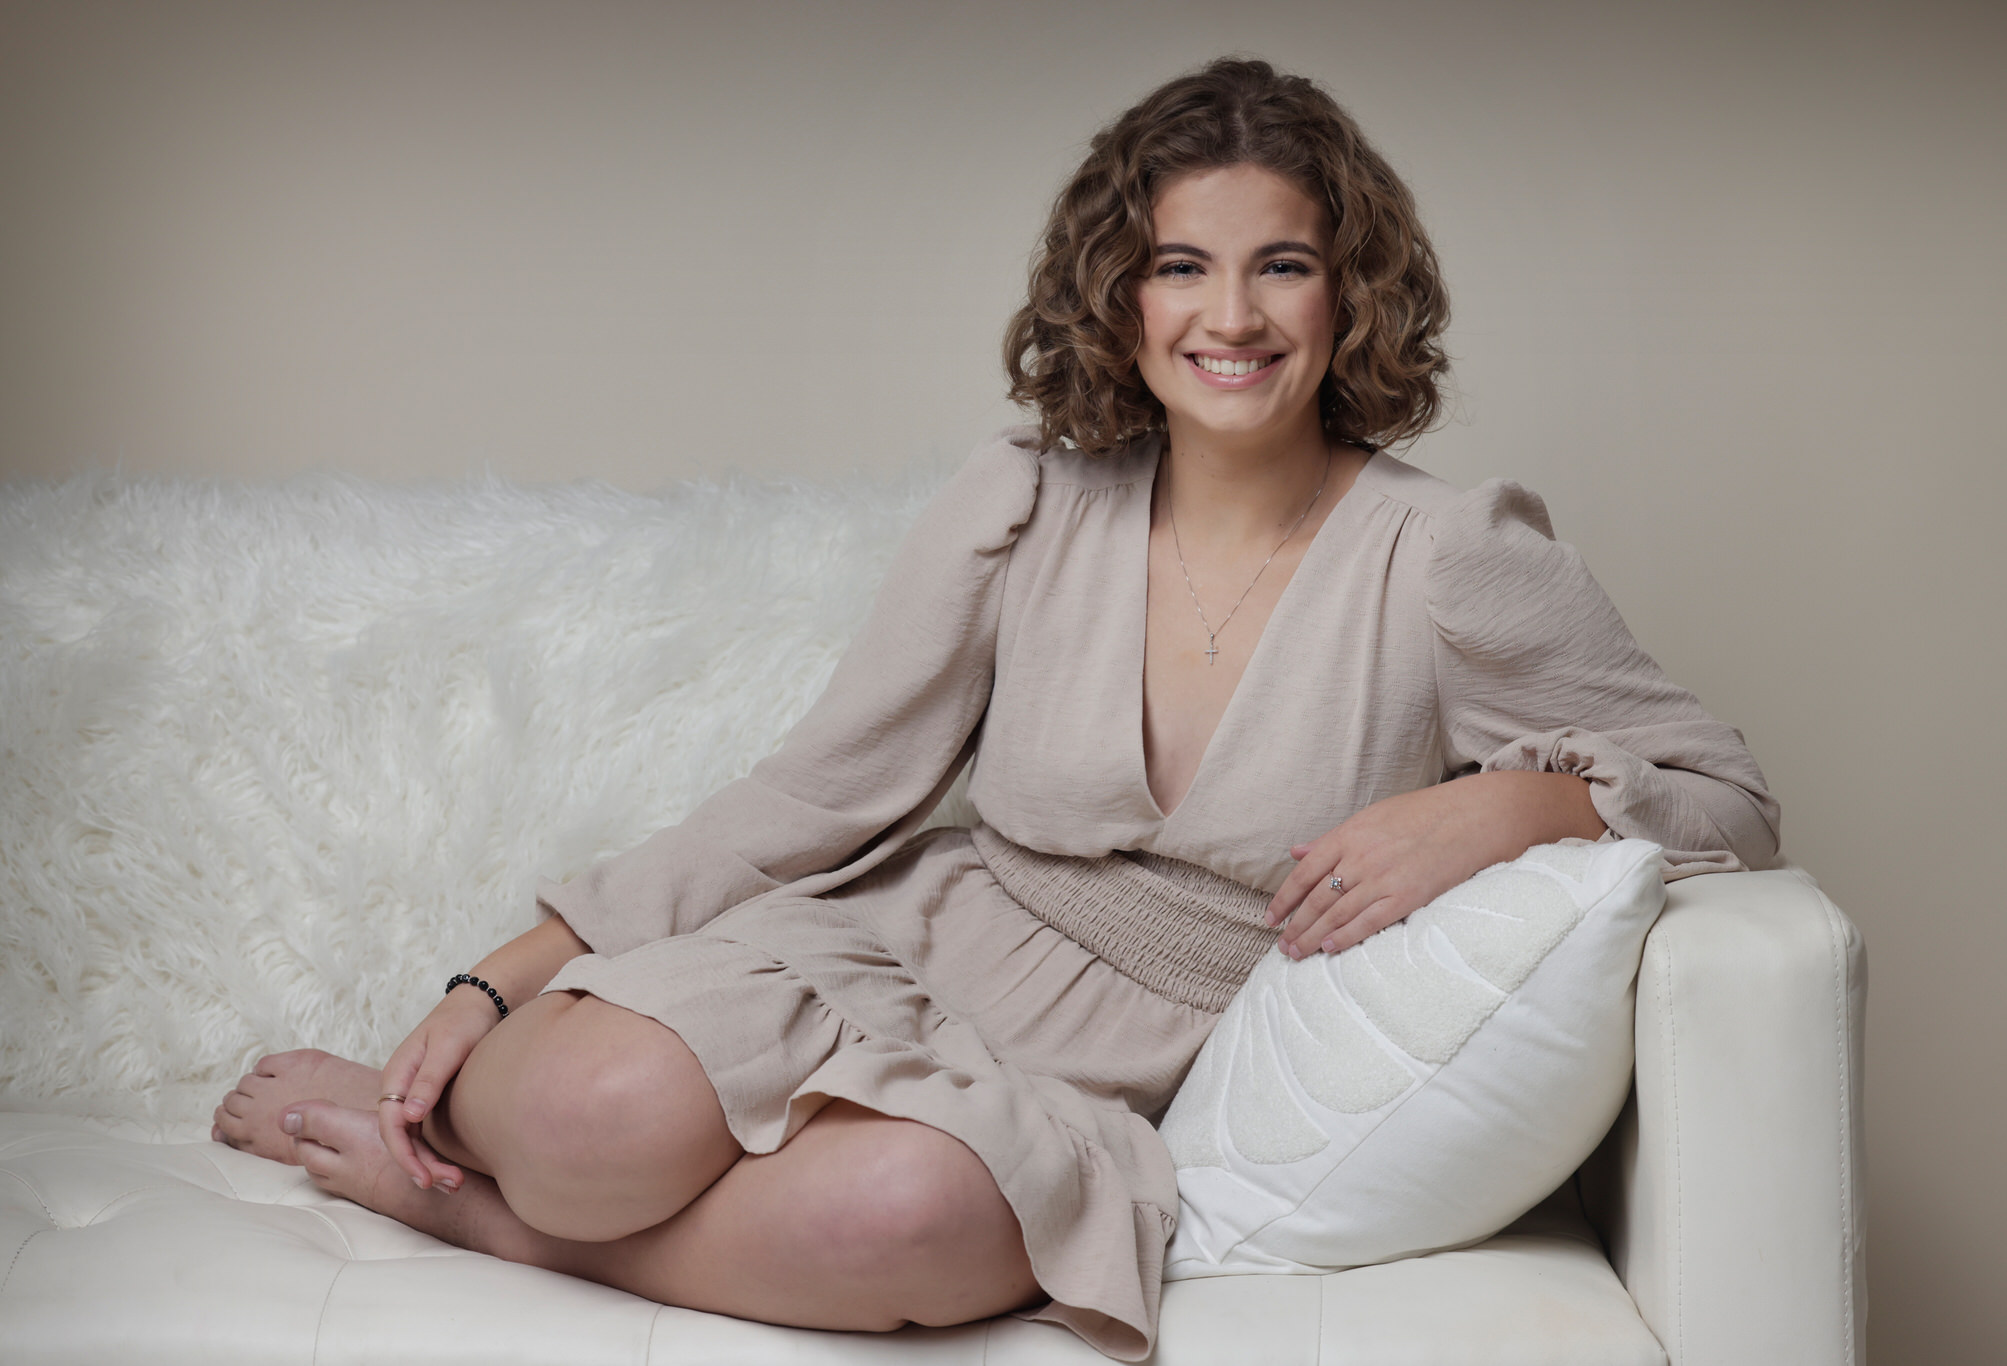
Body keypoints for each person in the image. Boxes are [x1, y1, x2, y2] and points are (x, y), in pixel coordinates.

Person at [210, 57, 1778, 1361]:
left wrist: (1509, 802)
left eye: (1281, 262)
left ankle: (464, 1213)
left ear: (1349, 290)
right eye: (1183, 264)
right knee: (587, 1113)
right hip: (912, 936)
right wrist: (496, 979)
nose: (1231, 314)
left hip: (1114, 1061)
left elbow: (1729, 796)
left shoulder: (1450, 554)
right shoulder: (1028, 499)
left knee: (911, 1220)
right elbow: (817, 795)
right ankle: (498, 1140)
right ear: (1123, 293)